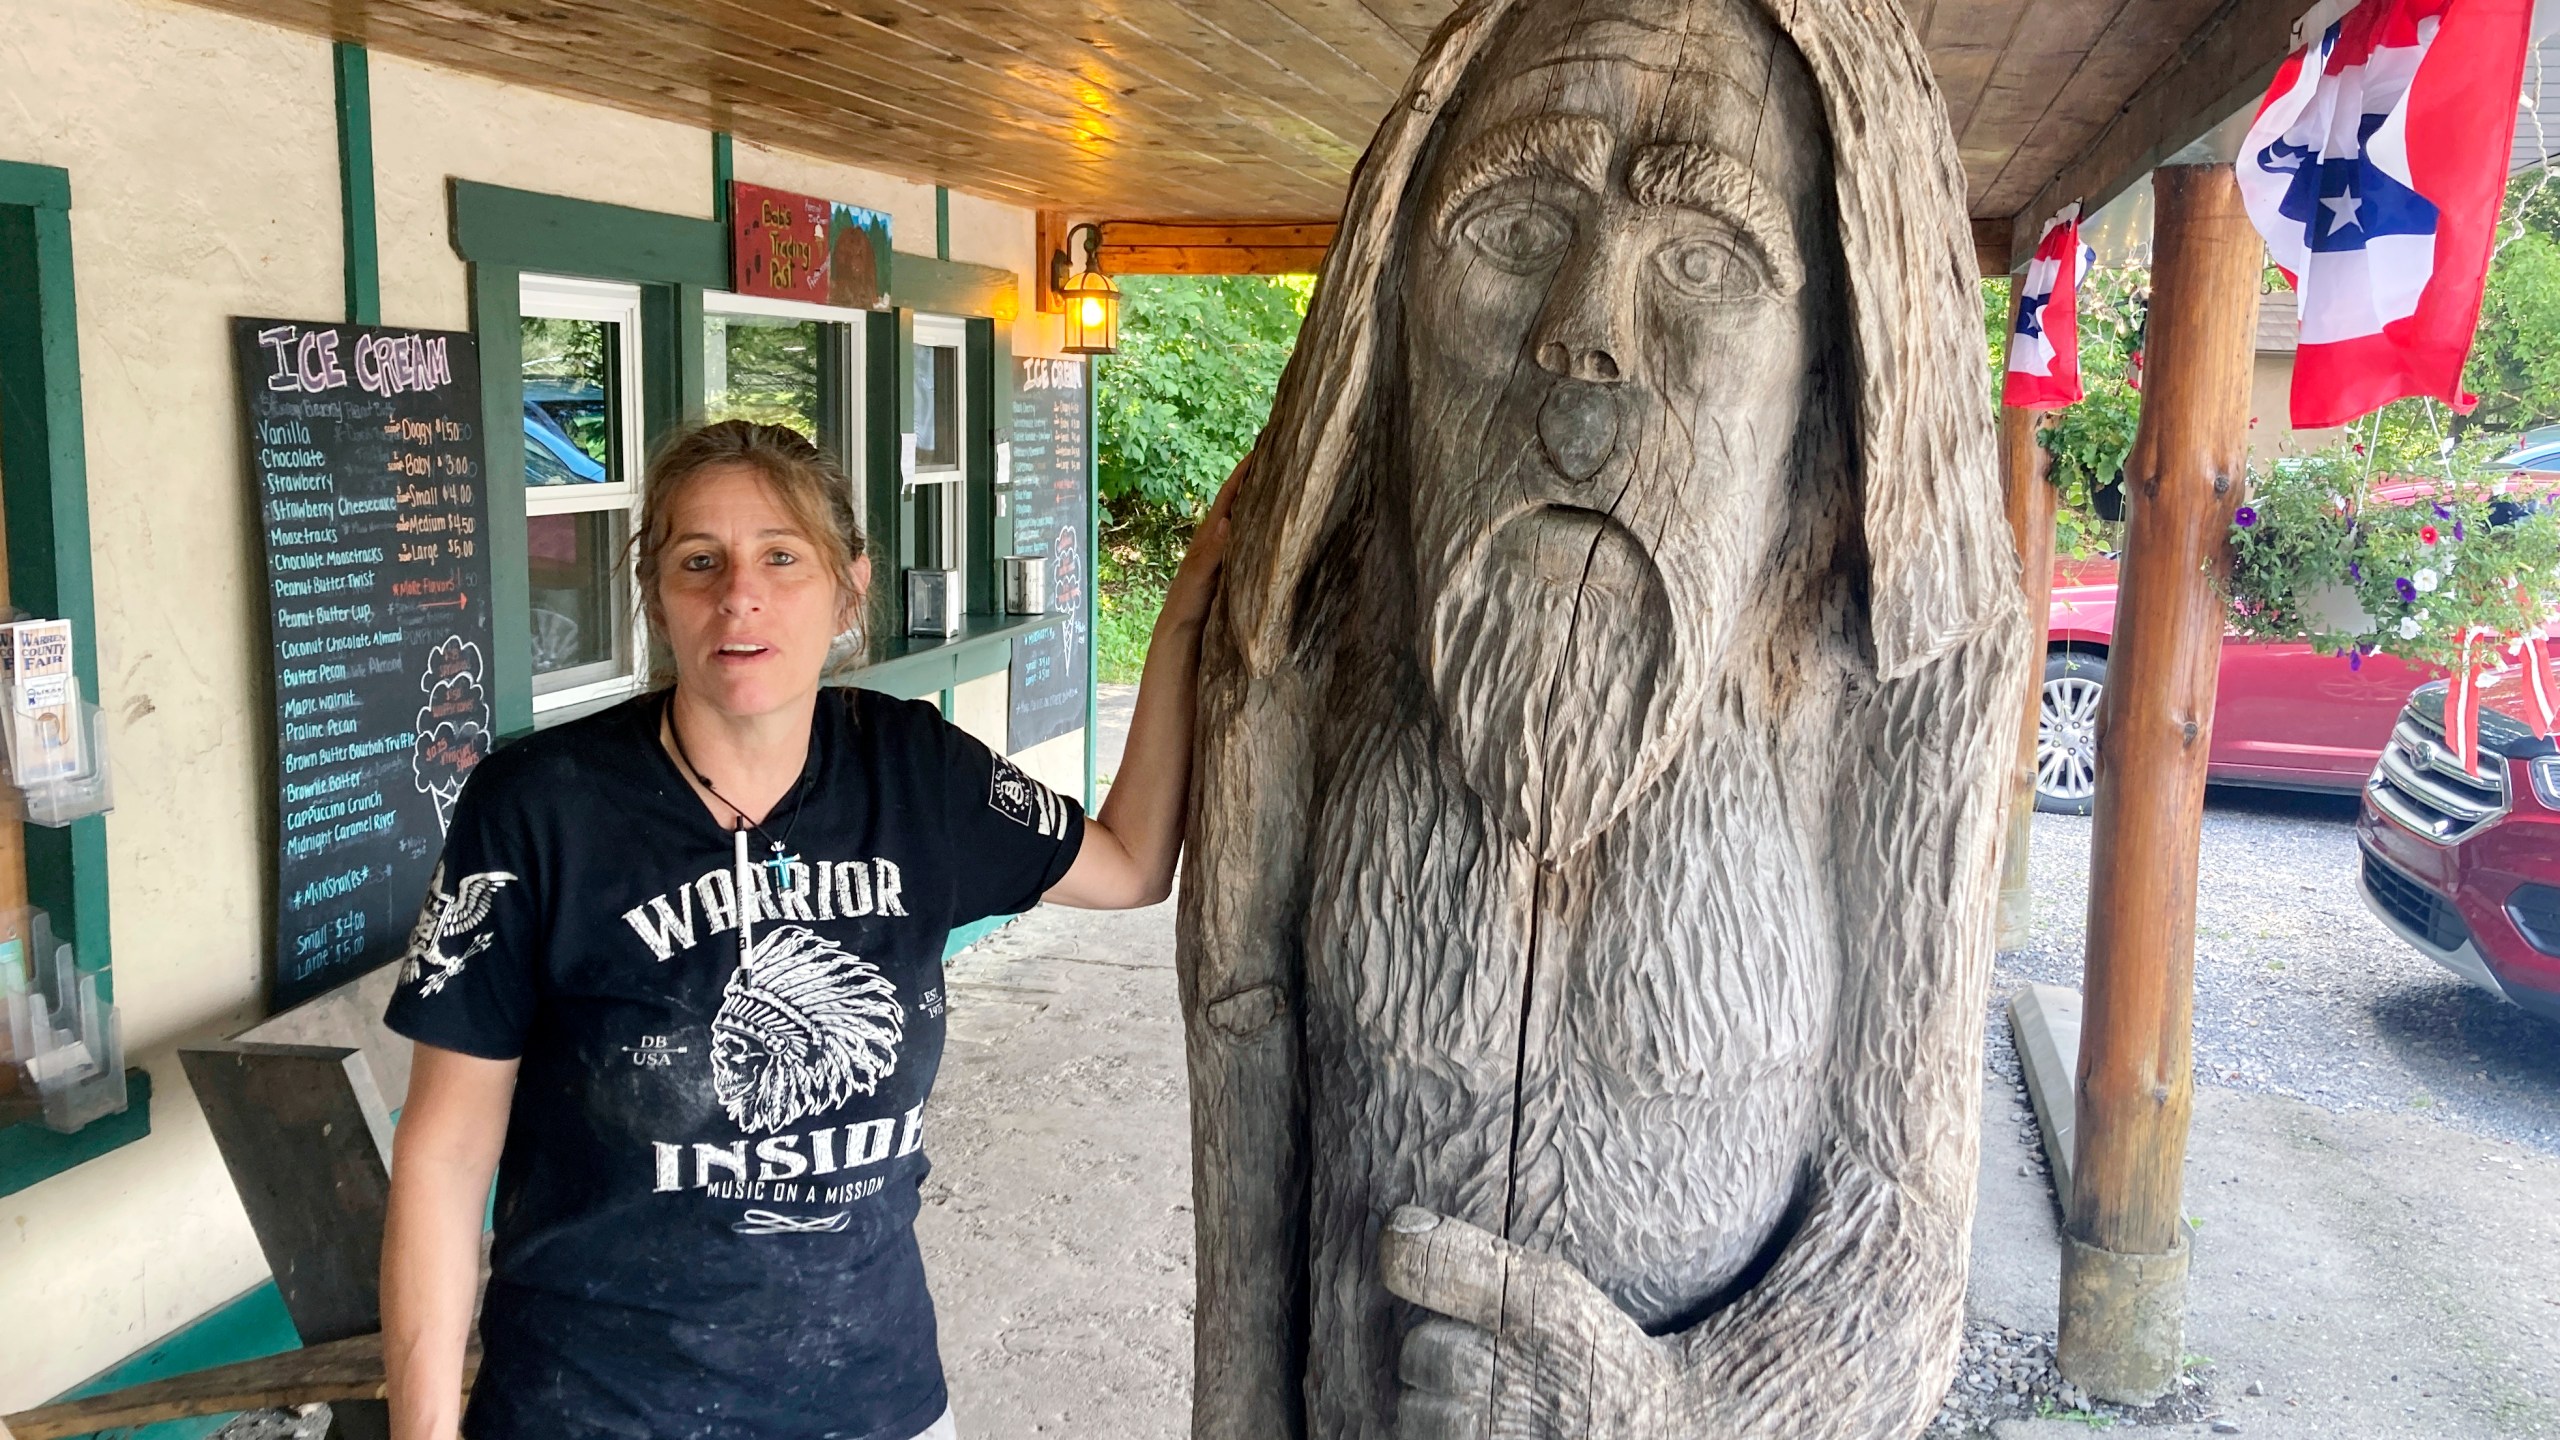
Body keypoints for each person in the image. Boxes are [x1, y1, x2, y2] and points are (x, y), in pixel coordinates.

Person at [380, 418, 1230, 1440]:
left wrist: (1183, 616)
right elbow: (444, 1153)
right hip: (596, 1405)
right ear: (654, 596)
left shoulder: (914, 772)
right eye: (700, 561)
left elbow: (1132, 864)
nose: (739, 593)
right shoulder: (540, 807)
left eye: (781, 557)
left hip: (870, 1401)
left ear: (847, 588)